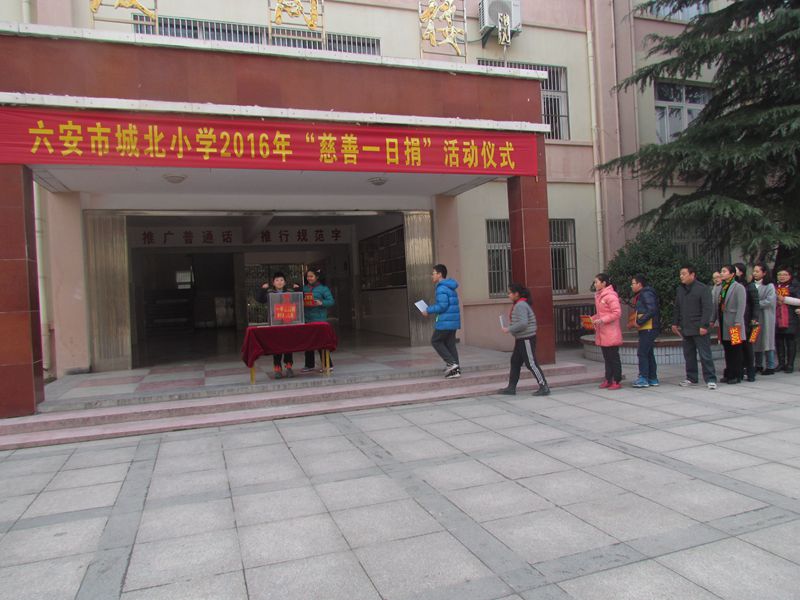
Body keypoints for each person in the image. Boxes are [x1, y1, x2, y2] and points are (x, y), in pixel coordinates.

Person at [497, 283, 550, 396]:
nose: (508, 295)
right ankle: (511, 388)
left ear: (516, 294)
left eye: (510, 293)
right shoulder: (520, 304)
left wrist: (509, 329)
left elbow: (523, 323)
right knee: (515, 361)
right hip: (521, 338)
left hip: (526, 338)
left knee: (531, 363)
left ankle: (544, 386)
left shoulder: (520, 305)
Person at [672, 264, 717, 389]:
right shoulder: (680, 289)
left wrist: (704, 325)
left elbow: (707, 308)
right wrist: (675, 323)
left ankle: (710, 379)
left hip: (699, 327)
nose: (681, 276)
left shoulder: (702, 288)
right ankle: (691, 377)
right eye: (680, 274)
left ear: (692, 275)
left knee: (705, 355)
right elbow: (677, 307)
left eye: (684, 274)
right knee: (689, 355)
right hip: (686, 327)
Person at [422, 264, 461, 379]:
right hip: (452, 321)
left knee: (435, 341)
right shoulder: (450, 286)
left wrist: (428, 310)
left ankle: (452, 364)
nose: (432, 276)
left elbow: (442, 306)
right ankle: (456, 369)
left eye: (433, 273)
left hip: (445, 321)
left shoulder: (441, 288)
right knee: (450, 344)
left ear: (439, 274)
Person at [258, 272, 299, 378]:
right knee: (276, 346)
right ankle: (277, 368)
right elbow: (260, 300)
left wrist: (298, 289)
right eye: (277, 280)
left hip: (288, 322)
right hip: (275, 323)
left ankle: (289, 366)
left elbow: (299, 299)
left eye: (281, 280)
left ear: (285, 282)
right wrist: (263, 290)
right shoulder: (270, 293)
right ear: (273, 283)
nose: (279, 282)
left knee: (288, 345)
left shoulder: (290, 292)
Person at [712, 265, 746, 384]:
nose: (722, 273)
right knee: (727, 348)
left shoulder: (738, 287)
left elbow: (741, 306)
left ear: (732, 274)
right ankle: (729, 373)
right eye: (721, 271)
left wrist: (738, 321)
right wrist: (713, 320)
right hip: (723, 322)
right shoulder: (721, 287)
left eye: (724, 271)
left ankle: (737, 374)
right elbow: (716, 305)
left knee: (735, 349)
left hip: (734, 322)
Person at [591, 273, 623, 390]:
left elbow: (617, 313)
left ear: (604, 283)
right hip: (603, 332)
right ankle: (608, 379)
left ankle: (616, 380)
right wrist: (592, 319)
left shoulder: (610, 296)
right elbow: (601, 314)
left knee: (613, 357)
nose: (595, 284)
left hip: (611, 332)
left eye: (596, 282)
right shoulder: (599, 296)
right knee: (607, 358)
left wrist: (602, 320)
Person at [629, 274, 660, 388]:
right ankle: (652, 378)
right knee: (648, 352)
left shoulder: (646, 293)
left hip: (649, 327)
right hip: (646, 327)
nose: (631, 286)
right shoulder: (643, 294)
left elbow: (652, 310)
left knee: (642, 352)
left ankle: (643, 378)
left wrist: (639, 321)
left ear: (639, 284)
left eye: (633, 283)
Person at [302, 268, 335, 373]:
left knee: (322, 343)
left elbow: (331, 301)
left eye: (311, 276)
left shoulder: (323, 289)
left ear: (317, 277)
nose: (309, 278)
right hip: (307, 319)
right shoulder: (304, 288)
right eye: (308, 276)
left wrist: (321, 303)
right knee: (308, 343)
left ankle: (328, 365)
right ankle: (309, 365)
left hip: (319, 320)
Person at [734, 263, 759, 382]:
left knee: (747, 347)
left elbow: (755, 304)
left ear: (741, 272)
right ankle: (738, 372)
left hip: (747, 321)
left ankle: (750, 371)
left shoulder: (749, 286)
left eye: (735, 270)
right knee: (735, 346)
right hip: (733, 322)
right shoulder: (729, 286)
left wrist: (754, 318)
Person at [752, 262, 777, 375]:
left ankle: (770, 366)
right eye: (754, 271)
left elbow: (770, 301)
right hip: (755, 317)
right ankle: (758, 365)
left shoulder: (769, 286)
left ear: (764, 273)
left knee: (767, 340)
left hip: (766, 316)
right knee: (755, 340)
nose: (755, 273)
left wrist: (756, 304)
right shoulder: (752, 285)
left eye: (757, 271)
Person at [774, 267, 800, 373]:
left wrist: (784, 299)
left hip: (791, 317)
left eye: (785, 274)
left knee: (790, 341)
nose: (782, 277)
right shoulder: (774, 287)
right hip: (777, 317)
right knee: (779, 341)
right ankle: (781, 363)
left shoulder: (795, 286)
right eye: (780, 274)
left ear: (790, 276)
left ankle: (790, 364)